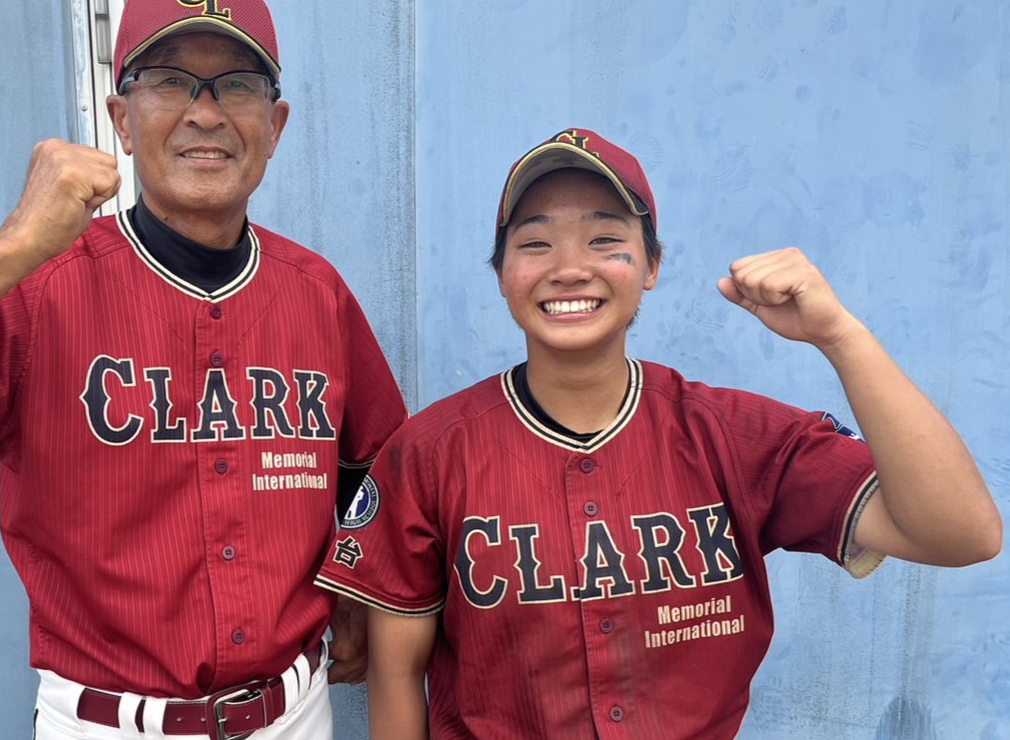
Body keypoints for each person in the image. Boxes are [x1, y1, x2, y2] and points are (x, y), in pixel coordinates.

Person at [0, 0, 407, 740]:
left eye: (237, 85)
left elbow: (377, 466)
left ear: (275, 125)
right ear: (122, 121)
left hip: (292, 714)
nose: (205, 112)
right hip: (106, 723)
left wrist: (358, 587)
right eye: (169, 81)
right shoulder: (32, 283)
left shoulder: (314, 291)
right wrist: (13, 243)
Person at [315, 127, 1002, 739]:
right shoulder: (431, 453)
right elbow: (397, 675)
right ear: (502, 275)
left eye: (605, 240)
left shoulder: (732, 436)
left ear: (650, 266)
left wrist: (839, 335)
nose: (569, 267)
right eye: (535, 242)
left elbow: (962, 534)